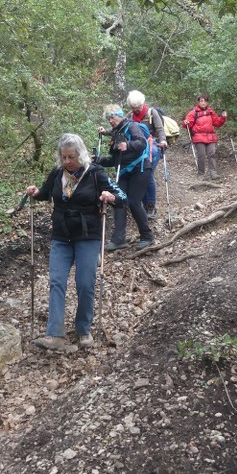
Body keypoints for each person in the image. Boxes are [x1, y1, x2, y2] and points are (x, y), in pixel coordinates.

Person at [25, 133, 127, 353]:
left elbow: (122, 197)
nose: (67, 162)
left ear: (80, 155)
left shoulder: (95, 174)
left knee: (85, 283)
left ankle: (83, 330)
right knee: (57, 282)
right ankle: (55, 334)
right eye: (63, 157)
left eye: (71, 157)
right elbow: (45, 194)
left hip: (88, 236)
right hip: (61, 236)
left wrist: (110, 197)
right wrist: (35, 192)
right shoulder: (57, 173)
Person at [97, 104, 154, 251]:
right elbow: (115, 160)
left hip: (140, 168)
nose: (110, 120)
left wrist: (127, 145)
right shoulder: (116, 133)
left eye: (112, 117)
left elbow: (141, 143)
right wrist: (98, 160)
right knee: (118, 202)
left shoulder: (131, 126)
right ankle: (118, 239)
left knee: (134, 202)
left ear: (120, 115)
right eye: (108, 118)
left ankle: (147, 236)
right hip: (123, 172)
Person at [126, 90, 167, 220]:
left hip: (153, 146)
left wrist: (163, 140)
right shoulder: (129, 116)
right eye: (133, 108)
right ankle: (143, 205)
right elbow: (121, 127)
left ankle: (150, 206)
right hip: (138, 149)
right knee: (140, 175)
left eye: (137, 107)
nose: (136, 110)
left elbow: (160, 129)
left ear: (142, 103)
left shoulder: (151, 112)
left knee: (146, 174)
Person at [183, 94, 227, 179]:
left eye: (205, 101)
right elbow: (187, 123)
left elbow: (217, 123)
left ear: (207, 102)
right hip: (198, 137)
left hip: (210, 137)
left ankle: (213, 174)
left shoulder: (210, 112)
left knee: (212, 154)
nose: (203, 103)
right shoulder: (193, 112)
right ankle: (201, 174)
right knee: (201, 155)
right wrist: (185, 122)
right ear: (198, 102)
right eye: (201, 101)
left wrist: (223, 117)